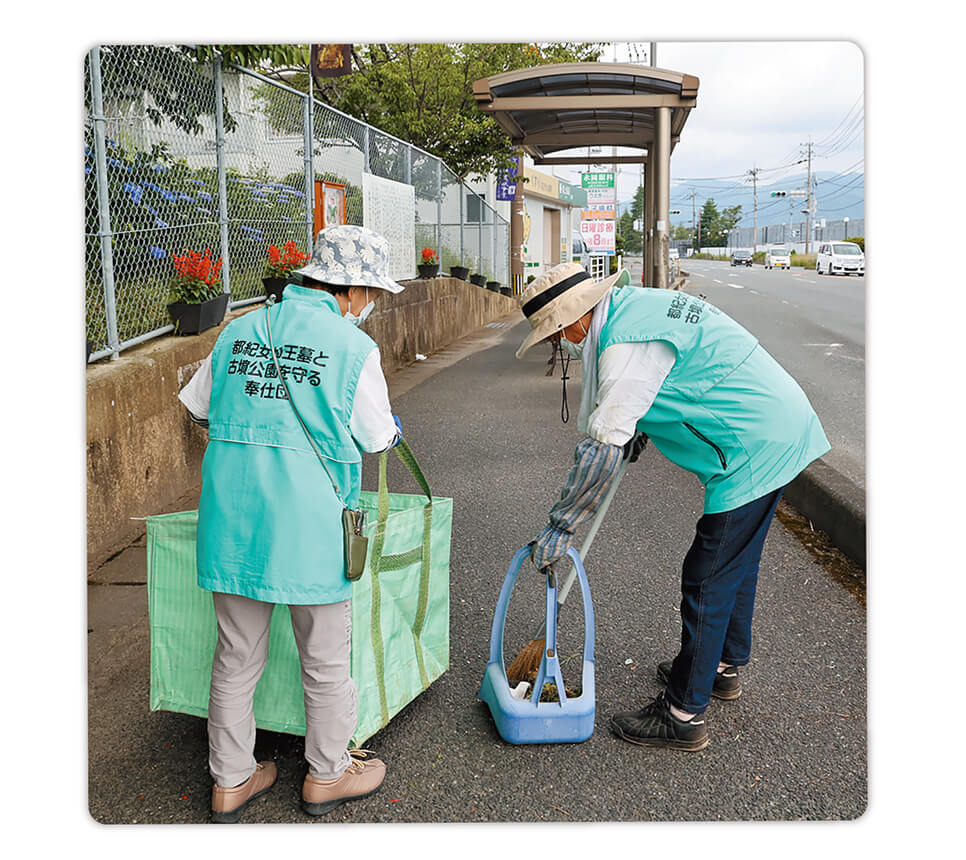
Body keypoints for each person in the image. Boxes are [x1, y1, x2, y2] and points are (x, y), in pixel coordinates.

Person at [515, 262, 830, 752]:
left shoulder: (624, 342)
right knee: (734, 564)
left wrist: (561, 528)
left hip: (754, 442)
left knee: (708, 574)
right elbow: (662, 381)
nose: (562, 344)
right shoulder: (632, 310)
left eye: (556, 334)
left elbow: (600, 447)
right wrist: (637, 427)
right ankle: (721, 667)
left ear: (573, 319)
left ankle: (683, 713)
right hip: (774, 426)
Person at [178, 225, 404, 822]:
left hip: (232, 521)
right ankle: (328, 774)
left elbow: (198, 407)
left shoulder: (240, 330)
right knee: (326, 657)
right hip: (310, 530)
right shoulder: (353, 349)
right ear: (350, 291)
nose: (370, 305)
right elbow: (378, 436)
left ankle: (230, 780)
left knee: (234, 654)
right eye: (370, 294)